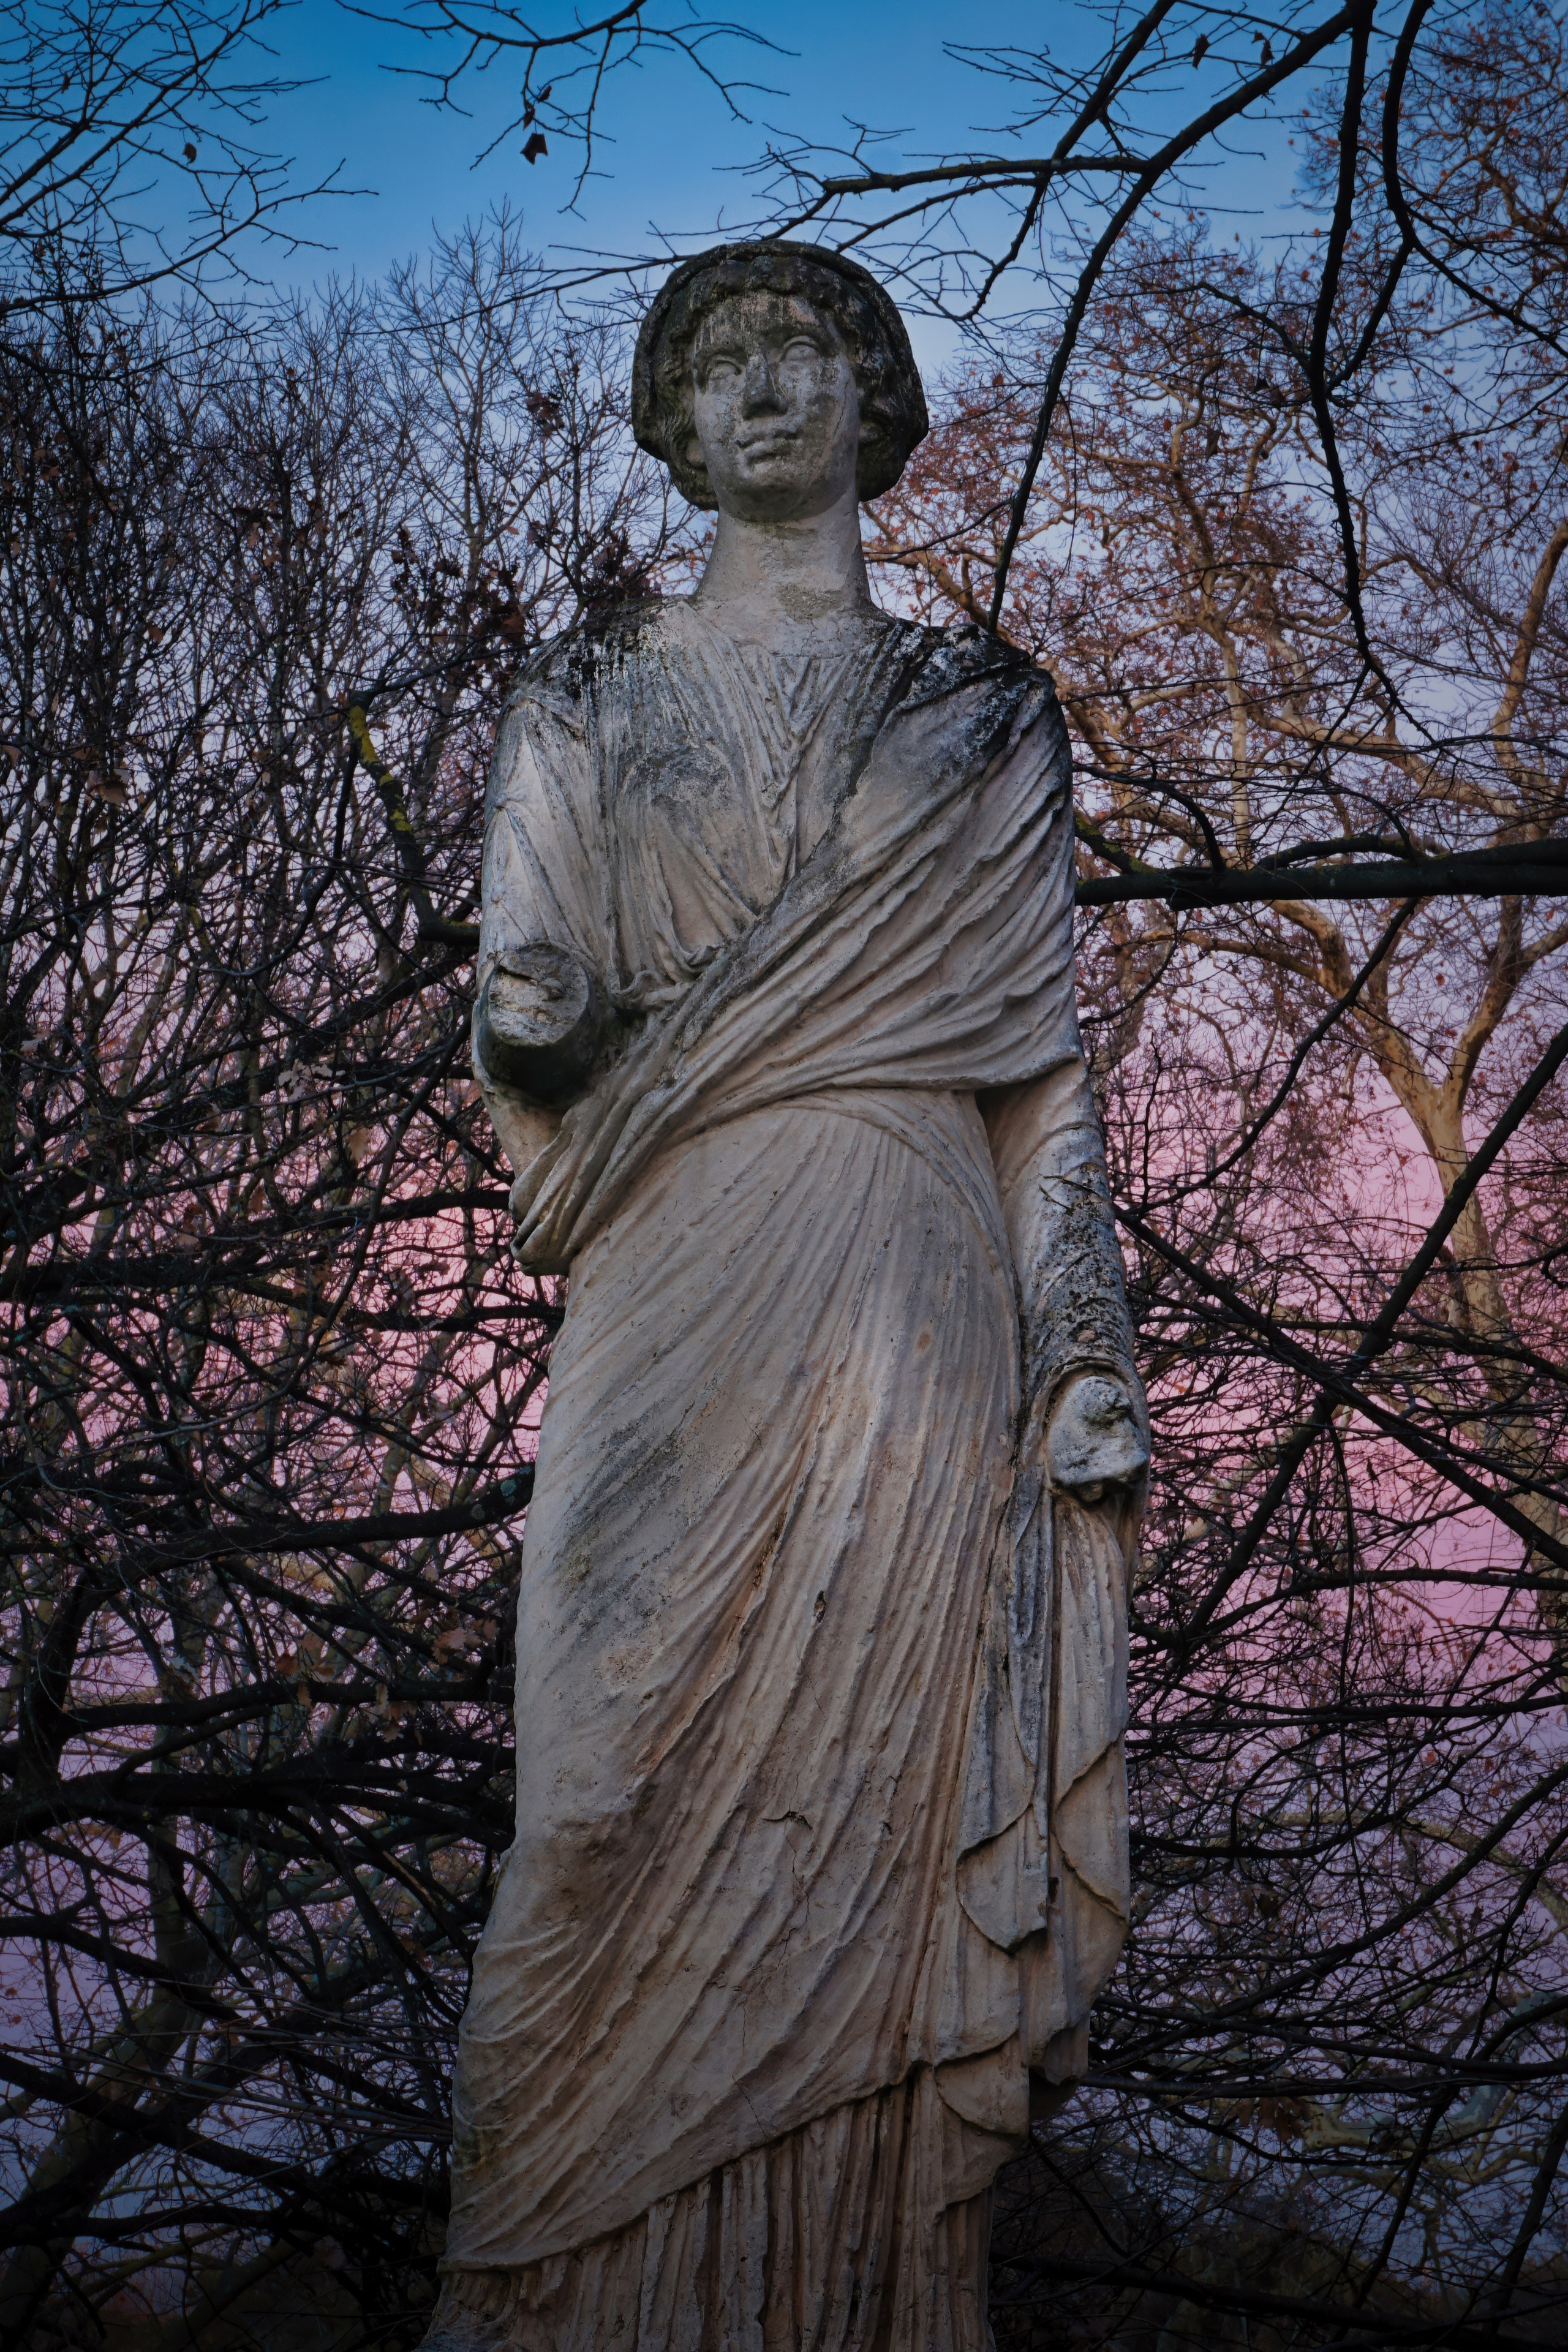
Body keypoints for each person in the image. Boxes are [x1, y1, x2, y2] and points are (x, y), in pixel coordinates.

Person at [427, 239, 1148, 2351]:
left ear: (875, 402)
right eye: (717, 366)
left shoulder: (982, 717)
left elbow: (1042, 1083)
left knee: (879, 1808)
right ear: (671, 423)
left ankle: (866, 2298)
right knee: (590, 1802)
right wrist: (538, 1022)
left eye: (800, 358)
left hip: (912, 1287)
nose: (759, 395)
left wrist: (1085, 1347)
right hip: (671, 1267)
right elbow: (526, 993)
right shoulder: (584, 694)